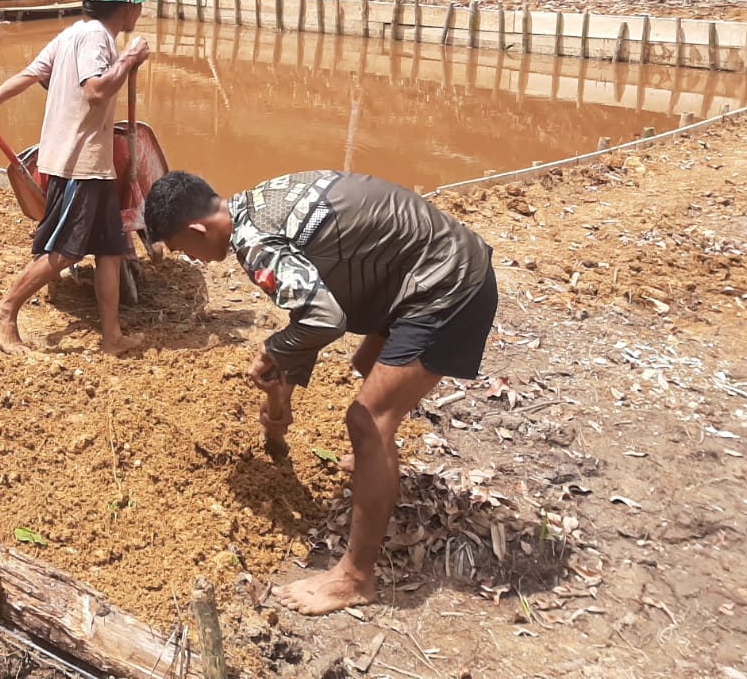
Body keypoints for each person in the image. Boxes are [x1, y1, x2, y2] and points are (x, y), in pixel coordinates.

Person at [143, 169, 499, 616]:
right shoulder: (261, 198)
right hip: (432, 264)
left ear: (197, 229)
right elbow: (316, 300)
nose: (191, 260)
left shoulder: (254, 245)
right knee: (368, 367)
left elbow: (324, 321)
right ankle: (374, 466)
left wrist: (272, 349)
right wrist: (287, 379)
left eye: (181, 249)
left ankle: (355, 578)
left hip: (447, 285)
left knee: (367, 419)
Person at [0, 0, 154, 357]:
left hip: (89, 160)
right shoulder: (96, 37)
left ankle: (112, 336)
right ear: (125, 7)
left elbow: (31, 74)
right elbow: (96, 92)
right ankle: (5, 309)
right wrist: (130, 58)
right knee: (68, 249)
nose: (139, 12)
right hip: (79, 162)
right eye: (136, 4)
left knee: (109, 248)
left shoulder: (72, 34)